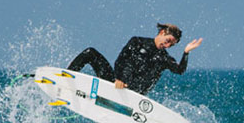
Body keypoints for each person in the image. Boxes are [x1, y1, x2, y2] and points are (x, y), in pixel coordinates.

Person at [67, 23, 204, 95]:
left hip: (134, 93)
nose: (167, 46)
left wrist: (186, 52)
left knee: (158, 64)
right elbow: (121, 61)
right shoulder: (137, 41)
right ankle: (65, 79)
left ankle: (131, 91)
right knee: (90, 52)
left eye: (171, 45)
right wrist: (118, 79)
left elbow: (179, 70)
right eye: (168, 41)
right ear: (162, 32)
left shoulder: (164, 58)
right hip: (116, 83)